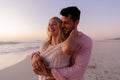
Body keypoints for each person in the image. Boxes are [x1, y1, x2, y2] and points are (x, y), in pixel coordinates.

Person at [32, 6, 93, 80]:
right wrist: (35, 57)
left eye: (66, 23)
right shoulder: (60, 37)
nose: (62, 26)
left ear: (76, 22)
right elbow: (42, 51)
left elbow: (78, 71)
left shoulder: (85, 41)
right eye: (62, 22)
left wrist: (47, 72)